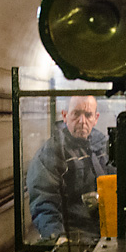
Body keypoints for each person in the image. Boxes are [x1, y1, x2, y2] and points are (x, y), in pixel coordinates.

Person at [26, 96, 115, 242]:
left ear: (96, 118)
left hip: (107, 235)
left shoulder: (103, 148)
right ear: (65, 116)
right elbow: (44, 201)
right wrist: (57, 237)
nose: (82, 121)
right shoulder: (52, 152)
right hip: (74, 240)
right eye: (76, 114)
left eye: (88, 115)